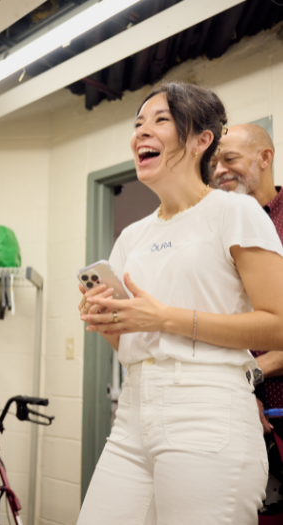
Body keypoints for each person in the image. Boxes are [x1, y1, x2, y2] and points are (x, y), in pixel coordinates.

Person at [76, 82, 283, 524]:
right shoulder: (132, 236)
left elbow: (278, 325)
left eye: (159, 121)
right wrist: (110, 322)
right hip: (133, 412)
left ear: (200, 140)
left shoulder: (236, 212)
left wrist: (164, 317)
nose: (141, 133)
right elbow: (137, 342)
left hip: (208, 410)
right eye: (137, 125)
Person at [212, 123, 283, 520]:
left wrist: (250, 376)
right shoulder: (217, 224)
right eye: (216, 162)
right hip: (237, 413)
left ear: (265, 158)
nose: (220, 169)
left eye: (231, 159)